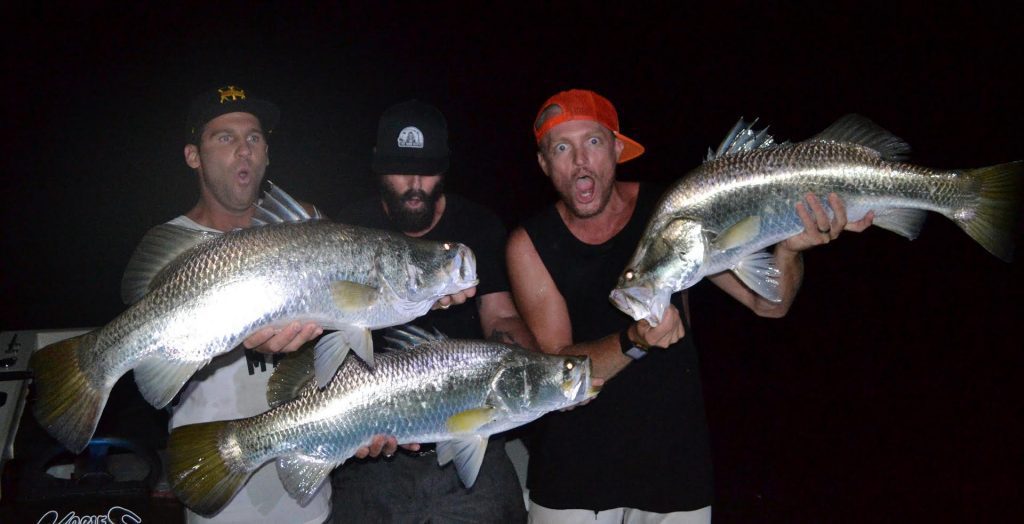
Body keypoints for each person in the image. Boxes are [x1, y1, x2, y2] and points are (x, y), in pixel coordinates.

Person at [506, 89, 874, 524]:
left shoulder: (677, 211)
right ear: (544, 164)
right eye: (562, 148)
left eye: (593, 141)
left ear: (617, 148)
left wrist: (790, 251)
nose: (580, 161)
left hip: (675, 470)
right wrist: (634, 340)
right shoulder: (529, 243)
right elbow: (557, 381)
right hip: (574, 477)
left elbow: (768, 305)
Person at [123, 85, 397, 523]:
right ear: (193, 155)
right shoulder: (173, 251)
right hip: (216, 473)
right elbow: (156, 374)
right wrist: (241, 341)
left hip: (308, 475)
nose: (243, 150)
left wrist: (367, 415)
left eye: (254, 138)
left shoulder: (309, 226)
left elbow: (343, 337)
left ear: (268, 153)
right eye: (224, 137)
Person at [330, 100, 536, 523]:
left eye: (427, 170)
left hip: (470, 425)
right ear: (376, 168)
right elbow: (336, 334)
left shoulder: (478, 226)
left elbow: (500, 317)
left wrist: (534, 371)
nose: (415, 184)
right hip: (377, 447)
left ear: (445, 168)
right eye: (400, 170)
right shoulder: (352, 228)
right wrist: (353, 420)